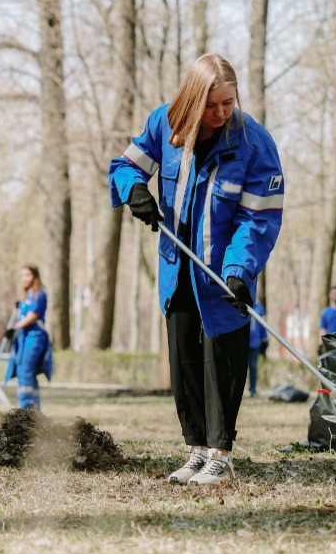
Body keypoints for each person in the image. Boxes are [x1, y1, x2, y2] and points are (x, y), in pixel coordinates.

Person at [108, 53, 284, 485]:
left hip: (225, 273)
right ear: (192, 99)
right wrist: (135, 192)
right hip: (177, 265)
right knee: (186, 359)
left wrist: (240, 268)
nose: (221, 113)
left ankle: (221, 457)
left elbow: (257, 218)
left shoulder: (253, 144)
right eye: (211, 105)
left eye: (228, 102)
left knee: (221, 361)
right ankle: (196, 450)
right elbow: (125, 166)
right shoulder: (163, 125)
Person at [3, 264, 53, 410]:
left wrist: (14, 328)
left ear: (35, 276)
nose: (24, 278)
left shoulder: (40, 294)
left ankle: (27, 406)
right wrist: (20, 307)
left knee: (25, 369)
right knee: (25, 370)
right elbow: (23, 315)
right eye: (23, 275)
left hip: (34, 337)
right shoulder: (29, 295)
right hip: (24, 337)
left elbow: (32, 316)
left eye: (28, 275)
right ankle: (33, 407)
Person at [247, 301, 268, 398]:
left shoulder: (259, 308)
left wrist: (264, 338)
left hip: (255, 343)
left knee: (253, 366)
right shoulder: (242, 303)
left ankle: (253, 389)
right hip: (244, 342)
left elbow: (263, 324)